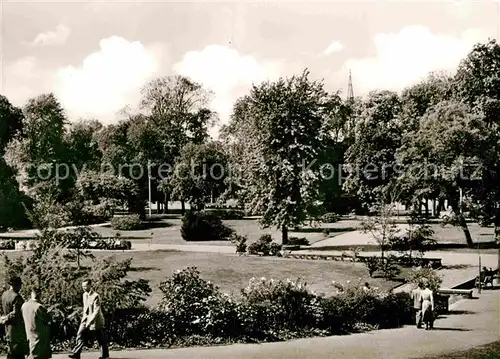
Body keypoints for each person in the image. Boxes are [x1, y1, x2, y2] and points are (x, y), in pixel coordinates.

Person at [69, 279, 108, 359]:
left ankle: (105, 355)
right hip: (85, 319)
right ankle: (76, 353)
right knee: (80, 334)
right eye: (83, 286)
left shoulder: (95, 296)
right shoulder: (84, 295)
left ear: (90, 285)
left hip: (96, 320)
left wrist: (89, 322)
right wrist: (84, 319)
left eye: (85, 286)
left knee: (100, 338)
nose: (84, 288)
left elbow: (96, 311)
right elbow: (85, 308)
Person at [1, 275, 28, 359]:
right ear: (16, 284)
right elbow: (16, 314)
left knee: (11, 350)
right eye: (19, 285)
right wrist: (6, 318)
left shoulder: (4, 295)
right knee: (17, 353)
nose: (20, 287)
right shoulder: (17, 297)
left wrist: (4, 318)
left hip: (7, 327)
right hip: (17, 328)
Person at [21, 287, 51, 359]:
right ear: (39, 294)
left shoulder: (24, 305)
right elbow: (47, 319)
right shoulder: (39, 307)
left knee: (31, 352)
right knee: (39, 355)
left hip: (28, 332)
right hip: (39, 334)